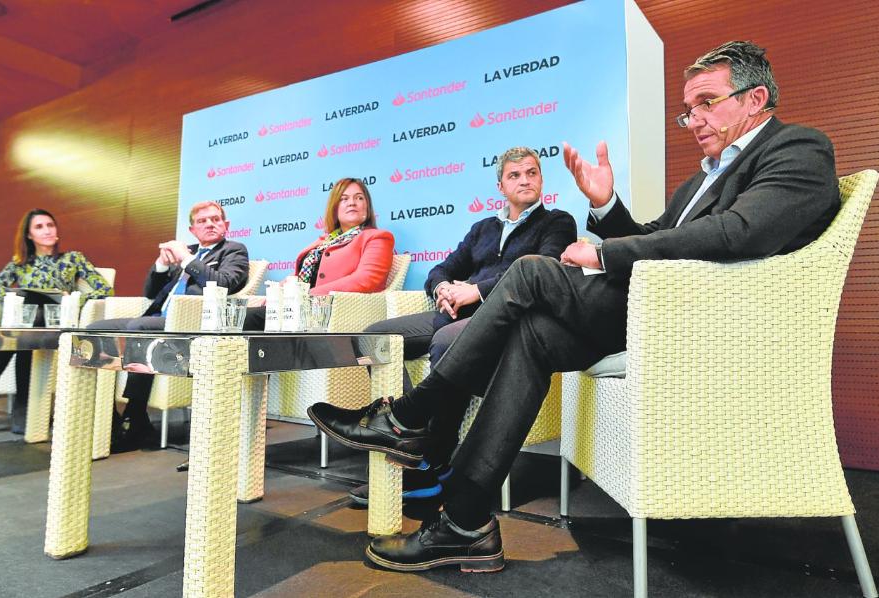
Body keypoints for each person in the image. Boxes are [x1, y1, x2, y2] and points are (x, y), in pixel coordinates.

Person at [308, 41, 842, 572]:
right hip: (650, 312)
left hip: (700, 325)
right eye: (688, 110)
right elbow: (655, 238)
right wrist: (606, 205)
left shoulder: (798, 148)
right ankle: (465, 522)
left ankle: (409, 416)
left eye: (706, 102)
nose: (694, 119)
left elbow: (737, 234)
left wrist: (605, 250)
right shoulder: (702, 176)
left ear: (756, 99)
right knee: (529, 335)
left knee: (529, 273)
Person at [348, 146, 577, 505]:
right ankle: (411, 437)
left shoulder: (558, 222)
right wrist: (443, 287)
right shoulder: (483, 227)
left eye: (532, 173)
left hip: (508, 319)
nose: (525, 180)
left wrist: (476, 291)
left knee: (445, 341)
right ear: (500, 185)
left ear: (542, 180)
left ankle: (434, 460)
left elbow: (542, 269)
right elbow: (443, 268)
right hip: (455, 311)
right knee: (375, 338)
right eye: (515, 175)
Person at [89, 200, 249, 452]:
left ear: (225, 225)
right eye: (202, 221)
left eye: (215, 219)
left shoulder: (233, 250)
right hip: (158, 318)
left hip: (190, 324)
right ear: (192, 230)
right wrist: (162, 265)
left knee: (140, 327)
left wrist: (186, 259)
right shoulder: (192, 252)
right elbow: (150, 293)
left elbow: (225, 283)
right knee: (93, 328)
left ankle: (136, 414)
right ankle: (105, 416)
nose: (210, 224)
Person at [0, 208, 113, 434]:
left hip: (58, 322)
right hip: (28, 324)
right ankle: (20, 410)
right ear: (29, 235)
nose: (47, 230)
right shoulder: (20, 263)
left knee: (27, 317)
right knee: (28, 309)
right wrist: (18, 298)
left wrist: (73, 300)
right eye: (39, 227)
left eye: (50, 225)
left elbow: (104, 289)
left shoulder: (72, 258)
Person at [241, 177, 394, 331]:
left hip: (332, 311)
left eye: (359, 198)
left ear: (367, 207)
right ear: (335, 208)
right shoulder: (325, 241)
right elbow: (307, 276)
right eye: (344, 199)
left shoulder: (377, 237)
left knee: (245, 320)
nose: (352, 202)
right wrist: (283, 290)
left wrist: (306, 294)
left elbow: (366, 279)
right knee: (241, 319)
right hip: (297, 308)